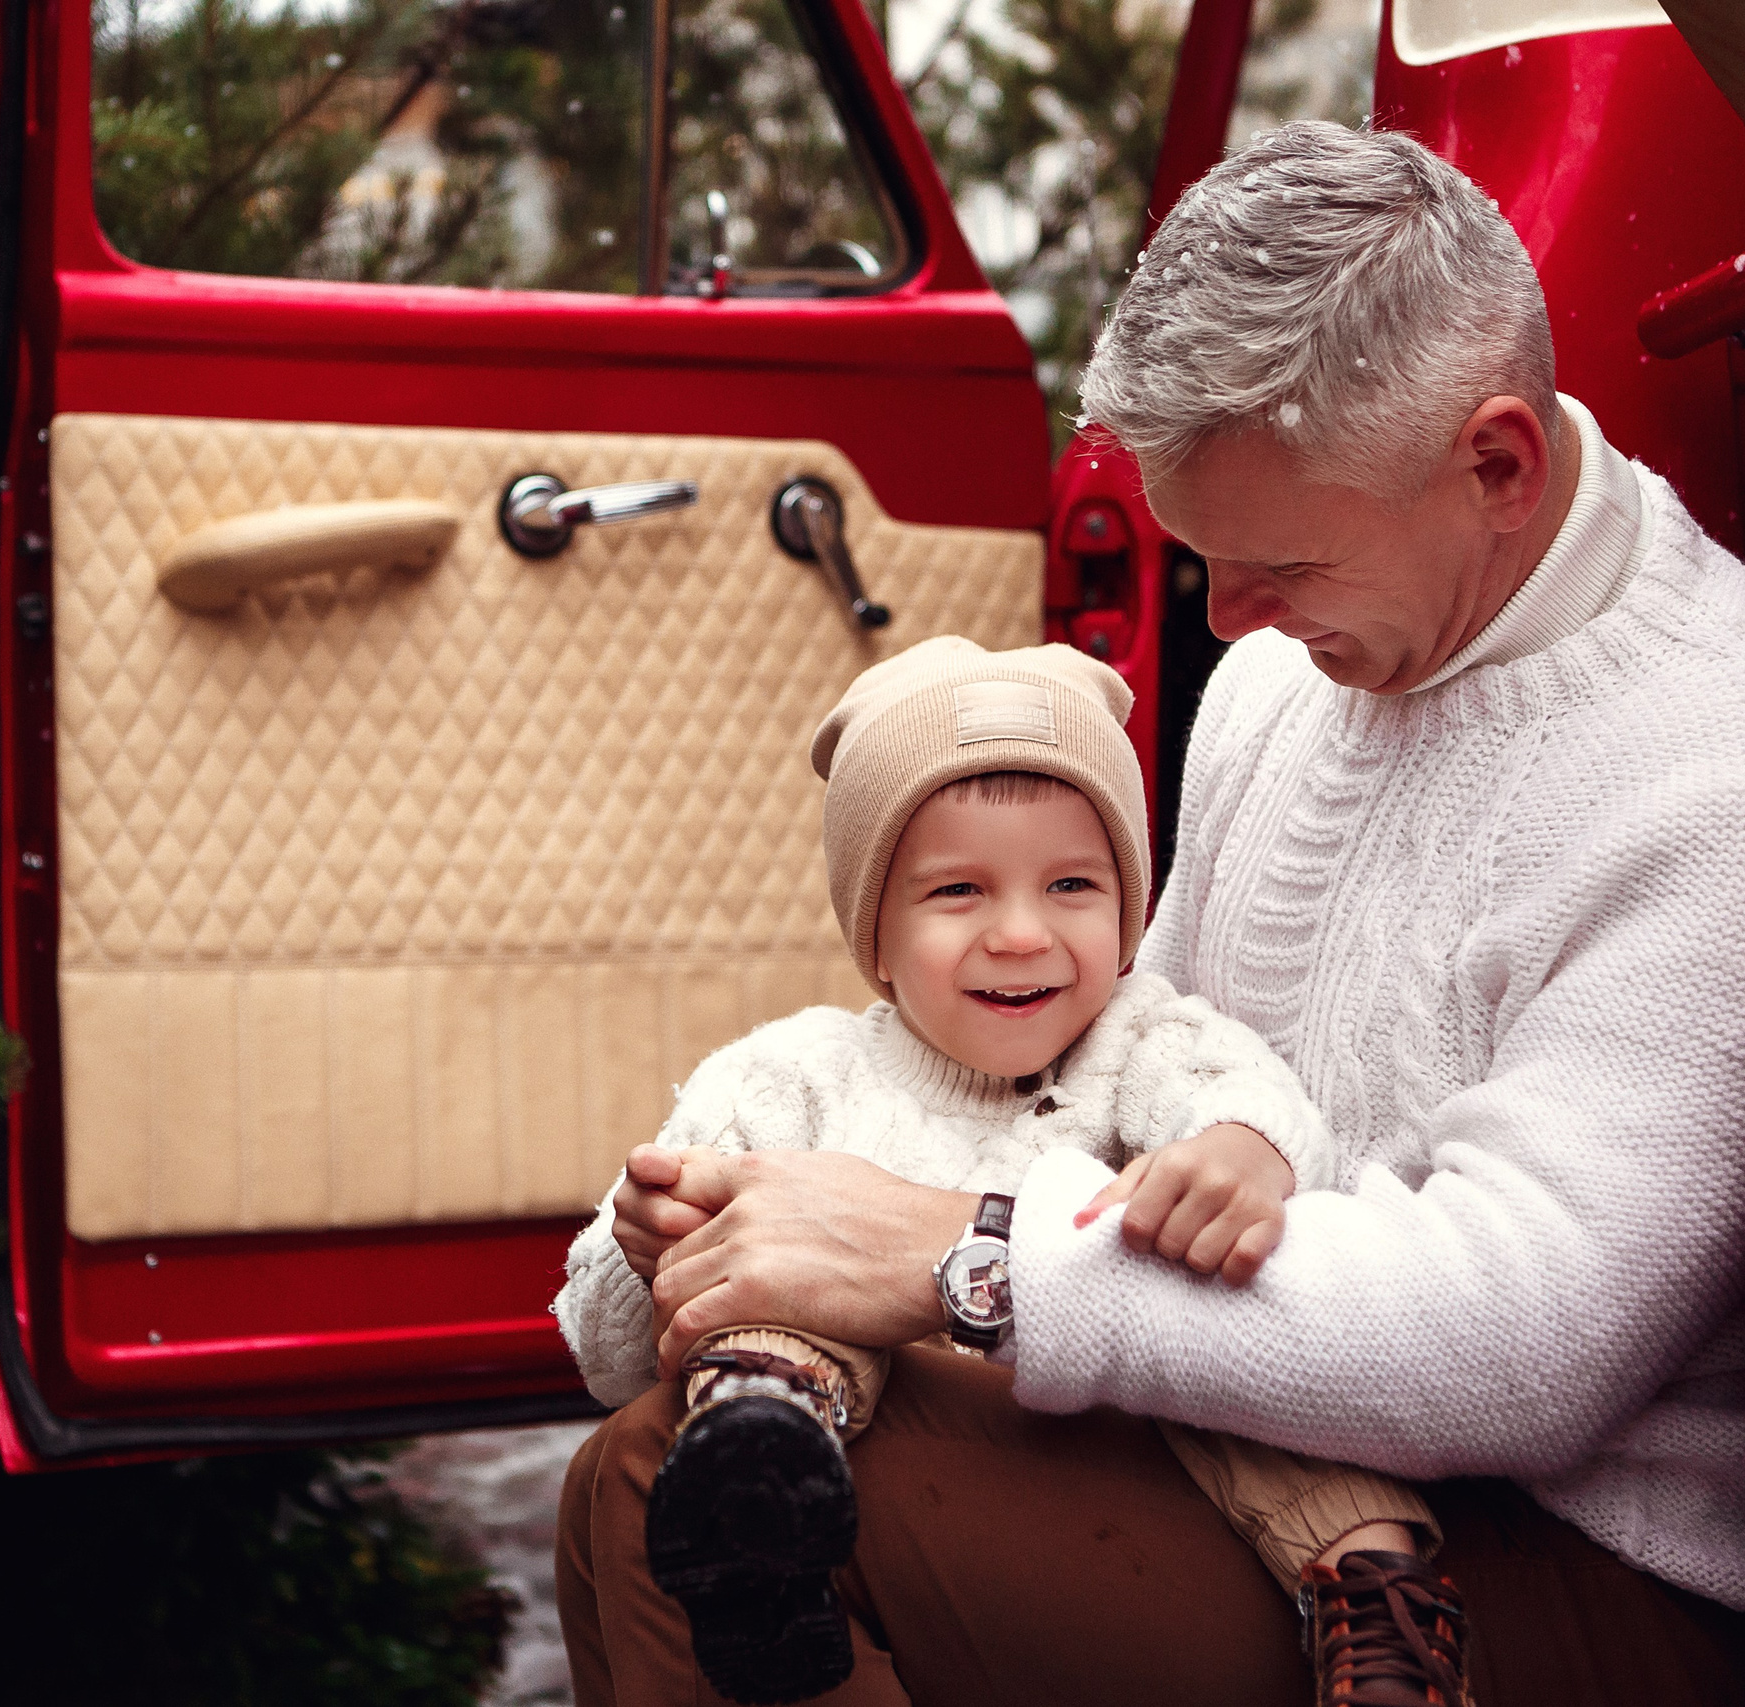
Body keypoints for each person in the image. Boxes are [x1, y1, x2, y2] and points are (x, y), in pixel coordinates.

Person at [558, 119, 1745, 1705]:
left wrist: (962, 1256)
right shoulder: (1288, 677)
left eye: (1279, 562)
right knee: (691, 1463)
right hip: (1252, 1442)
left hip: (1579, 1566)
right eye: (1203, 556)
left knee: (653, 1503)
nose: (1227, 619)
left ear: (1496, 464)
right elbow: (1140, 1077)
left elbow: (1529, 1344)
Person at [555, 637, 1461, 1705]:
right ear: (874, 935)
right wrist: (649, 1246)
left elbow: (1251, 1101)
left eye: (1072, 884)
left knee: (1231, 1334)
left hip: (1139, 1465)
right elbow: (609, 1355)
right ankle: (759, 1505)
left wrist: (1236, 1153)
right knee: (780, 1291)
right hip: (889, 1467)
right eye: (959, 891)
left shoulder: (1143, 1040)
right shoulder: (788, 1081)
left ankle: (1376, 1602)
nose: (1023, 933)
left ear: (1128, 911)